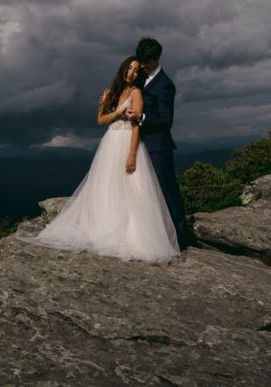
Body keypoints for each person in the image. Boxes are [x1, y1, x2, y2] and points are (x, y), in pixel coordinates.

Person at [24, 56, 180, 263]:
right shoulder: (113, 91)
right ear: (123, 69)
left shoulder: (136, 92)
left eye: (135, 70)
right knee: (107, 186)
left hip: (126, 142)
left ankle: (131, 235)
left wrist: (132, 154)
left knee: (130, 188)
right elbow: (101, 120)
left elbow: (136, 126)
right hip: (110, 142)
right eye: (128, 69)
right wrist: (109, 106)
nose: (131, 73)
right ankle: (104, 225)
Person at [125, 36, 187, 247]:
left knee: (167, 191)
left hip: (158, 146)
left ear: (157, 59)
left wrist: (141, 118)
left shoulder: (165, 85)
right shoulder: (141, 77)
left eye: (145, 61)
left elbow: (166, 120)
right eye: (140, 60)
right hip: (139, 144)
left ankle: (180, 237)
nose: (141, 64)